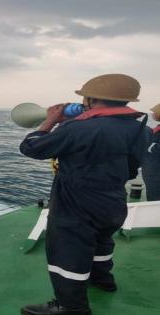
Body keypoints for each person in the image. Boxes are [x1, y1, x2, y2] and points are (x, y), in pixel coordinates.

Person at [19, 74, 151, 315]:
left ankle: (71, 307)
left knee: (67, 251)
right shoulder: (142, 129)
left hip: (76, 202)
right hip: (113, 199)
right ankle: (102, 280)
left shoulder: (78, 128)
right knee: (102, 241)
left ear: (92, 98)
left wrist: (49, 121)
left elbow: (31, 148)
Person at [142, 103, 160, 200]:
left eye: (155, 112)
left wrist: (150, 146)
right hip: (152, 172)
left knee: (155, 198)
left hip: (156, 175)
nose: (152, 114)